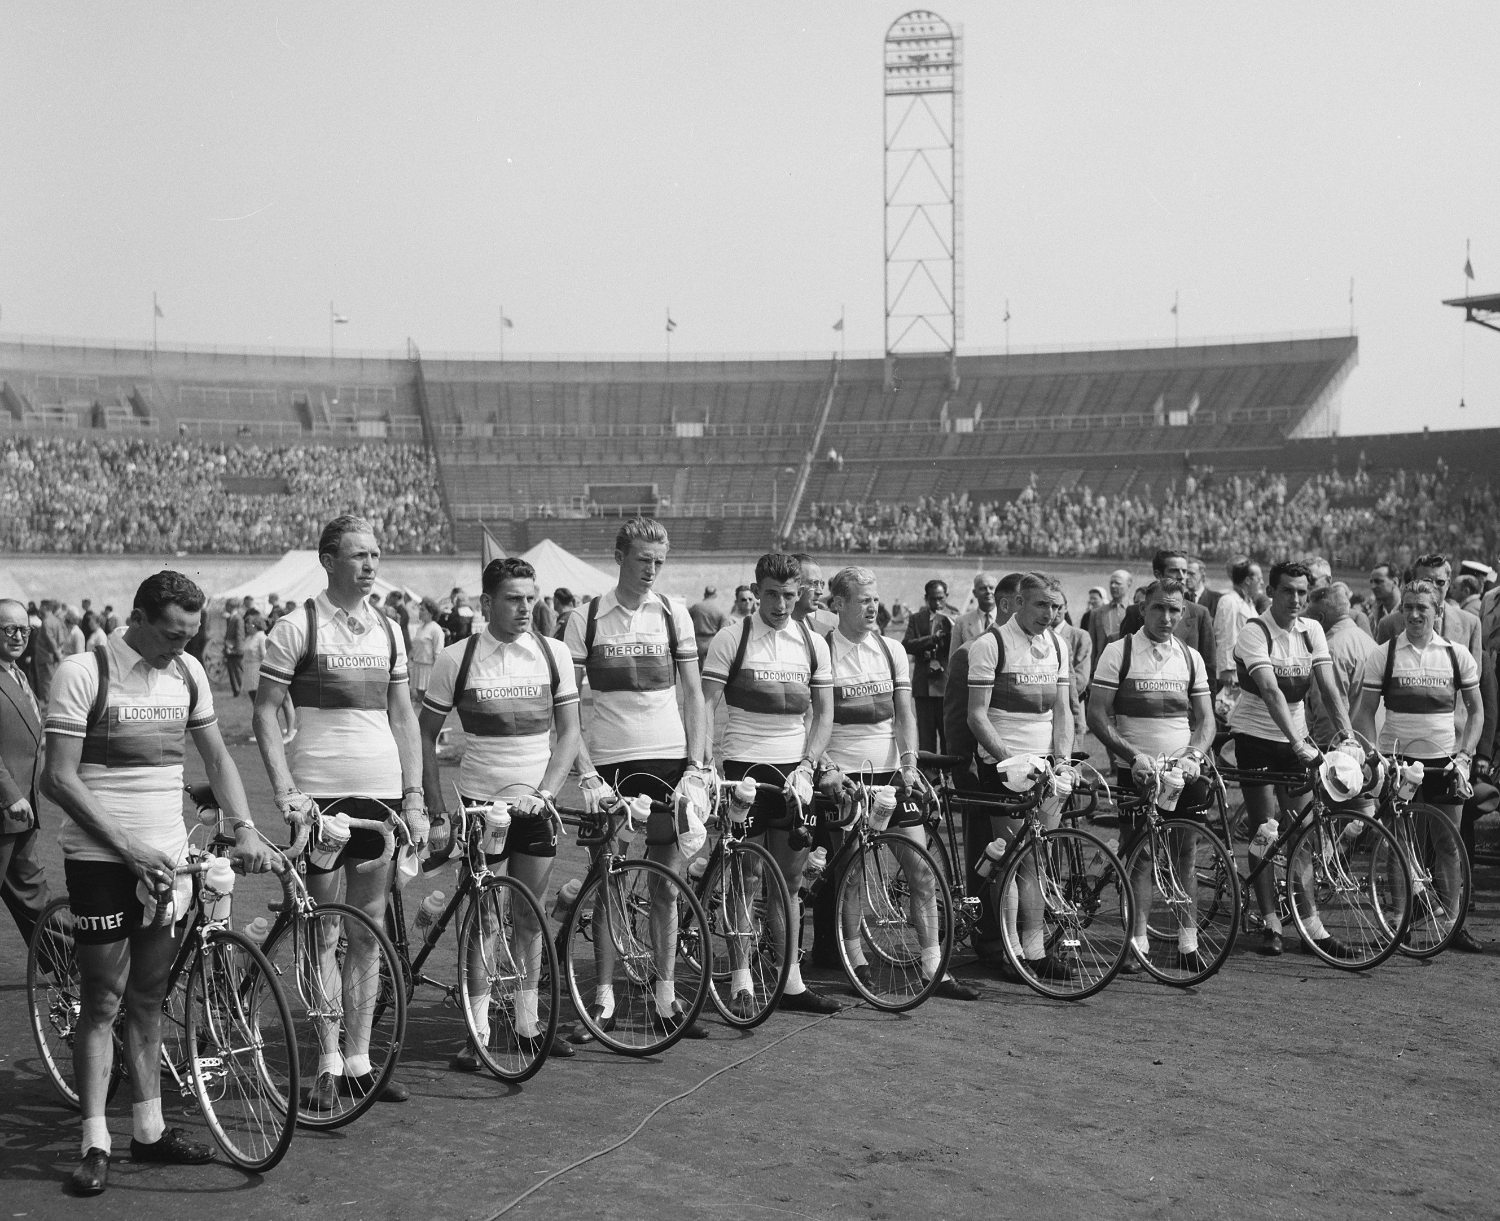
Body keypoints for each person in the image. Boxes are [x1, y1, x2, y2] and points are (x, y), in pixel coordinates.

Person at [42, 571, 271, 1196]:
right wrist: (127, 848)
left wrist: (245, 826)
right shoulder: (83, 671)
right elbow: (58, 779)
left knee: (148, 1001)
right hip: (99, 861)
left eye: (193, 637)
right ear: (138, 618)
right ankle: (94, 1140)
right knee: (103, 1002)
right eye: (173, 635)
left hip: (166, 863)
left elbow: (218, 756)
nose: (183, 648)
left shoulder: (189, 674)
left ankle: (149, 1129)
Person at [253, 515, 424, 1108]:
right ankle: (326, 1061)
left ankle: (359, 1059)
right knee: (323, 928)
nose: (371, 565)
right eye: (358, 555)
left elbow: (404, 718)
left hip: (377, 796)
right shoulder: (295, 626)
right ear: (328, 561)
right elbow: (264, 714)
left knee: (367, 932)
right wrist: (284, 791)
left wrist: (415, 796)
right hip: (319, 797)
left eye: (376, 554)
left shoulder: (391, 629)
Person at [420, 557, 581, 1063]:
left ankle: (529, 1023)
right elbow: (424, 735)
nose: (525, 608)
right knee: (483, 921)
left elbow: (571, 734)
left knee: (529, 917)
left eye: (530, 598)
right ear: (487, 603)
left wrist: (549, 794)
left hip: (536, 806)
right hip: (479, 807)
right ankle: (480, 1030)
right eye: (514, 599)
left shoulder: (553, 653)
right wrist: (439, 807)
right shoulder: (457, 658)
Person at [564, 517, 712, 1037]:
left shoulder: (674, 614)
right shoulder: (585, 619)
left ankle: (667, 999)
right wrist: (586, 774)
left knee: (666, 888)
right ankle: (601, 1002)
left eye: (659, 562)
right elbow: (568, 711)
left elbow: (694, 696)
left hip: (669, 760)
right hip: (611, 764)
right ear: (620, 556)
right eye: (643, 559)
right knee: (608, 883)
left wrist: (697, 765)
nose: (651, 570)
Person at [816, 566, 977, 1001]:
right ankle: (856, 960)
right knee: (853, 875)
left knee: (921, 870)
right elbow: (813, 718)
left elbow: (904, 714)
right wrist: (826, 767)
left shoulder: (890, 649)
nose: (874, 607)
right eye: (864, 600)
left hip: (891, 774)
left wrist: (909, 764)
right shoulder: (822, 650)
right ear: (838, 605)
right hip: (846, 777)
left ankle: (933, 968)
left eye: (875, 598)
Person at [702, 551, 840, 1014]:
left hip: (793, 772)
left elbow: (825, 715)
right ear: (757, 592)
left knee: (791, 880)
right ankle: (741, 980)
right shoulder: (732, 637)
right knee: (746, 875)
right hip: (744, 767)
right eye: (772, 594)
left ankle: (791, 983)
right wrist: (705, 764)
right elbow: (705, 705)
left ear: (800, 593)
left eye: (789, 594)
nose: (781, 603)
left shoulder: (813, 642)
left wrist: (808, 764)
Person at [1086, 578, 1215, 972]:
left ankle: (1188, 943)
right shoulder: (1118, 651)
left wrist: (1194, 754)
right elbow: (1096, 714)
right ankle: (1136, 942)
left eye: (1175, 610)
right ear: (1143, 608)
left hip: (1182, 772)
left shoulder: (1190, 657)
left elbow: (1206, 719)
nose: (1167, 617)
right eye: (1159, 608)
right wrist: (1133, 756)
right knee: (1140, 856)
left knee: (1185, 855)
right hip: (1137, 773)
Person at [1352, 578, 1484, 952]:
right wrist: (1377, 756)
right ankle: (1398, 923)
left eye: (1421, 608)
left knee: (1447, 842)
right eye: (1407, 607)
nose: (1412, 614)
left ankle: (1453, 922)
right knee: (1398, 840)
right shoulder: (1385, 653)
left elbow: (1477, 712)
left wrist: (1465, 755)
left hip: (1444, 760)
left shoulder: (1457, 654)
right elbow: (1364, 713)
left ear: (1438, 611)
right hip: (1399, 760)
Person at [1228, 560, 1352, 956]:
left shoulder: (1311, 629)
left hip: (1293, 739)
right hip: (1257, 738)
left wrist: (1348, 736)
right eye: (1288, 591)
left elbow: (1329, 689)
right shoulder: (1254, 631)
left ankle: (1310, 923)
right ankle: (1269, 922)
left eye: (1302, 592)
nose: (1296, 599)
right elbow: (1270, 691)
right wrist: (1297, 742)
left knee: (1305, 832)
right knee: (1267, 830)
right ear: (1271, 590)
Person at [965, 573, 1075, 979]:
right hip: (1005, 765)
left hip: (1045, 764)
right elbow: (977, 716)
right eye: (1041, 605)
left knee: (1037, 859)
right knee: (1010, 859)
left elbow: (1062, 711)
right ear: (1017, 603)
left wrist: (1061, 760)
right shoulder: (990, 644)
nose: (1050, 614)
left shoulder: (1059, 645)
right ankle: (1011, 952)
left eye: (1055, 606)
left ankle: (1035, 950)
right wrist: (1011, 762)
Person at [0, 598, 50, 954]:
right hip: (9, 804)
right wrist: (10, 794)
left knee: (33, 894)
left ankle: (74, 963)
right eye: (10, 629)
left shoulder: (16, 672)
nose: (19, 636)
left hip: (22, 809)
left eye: (25, 629)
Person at [1118, 550, 1216, 690]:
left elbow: (1209, 668)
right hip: (1142, 697)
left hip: (1187, 703)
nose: (1182, 576)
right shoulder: (1135, 613)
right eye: (1175, 571)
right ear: (1158, 574)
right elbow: (1123, 658)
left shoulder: (1199, 614)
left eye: (1184, 571)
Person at [1304, 584, 1380, 751]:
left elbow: (1327, 712)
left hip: (1342, 753)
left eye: (1308, 619)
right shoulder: (1371, 644)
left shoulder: (1330, 651)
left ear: (1319, 619)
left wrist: (1324, 753)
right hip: (1369, 747)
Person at [902, 579, 954, 754]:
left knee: (948, 734)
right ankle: (929, 775)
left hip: (946, 685)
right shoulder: (916, 619)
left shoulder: (954, 618)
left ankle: (948, 775)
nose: (938, 603)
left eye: (941, 598)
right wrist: (932, 639)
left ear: (946, 597)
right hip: (924, 685)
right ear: (926, 598)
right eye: (933, 599)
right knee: (926, 736)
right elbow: (907, 644)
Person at [1214, 557, 1265, 692]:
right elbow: (1225, 636)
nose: (1262, 583)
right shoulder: (1229, 601)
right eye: (1259, 579)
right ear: (1248, 581)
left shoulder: (1249, 603)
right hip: (1233, 674)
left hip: (1249, 668)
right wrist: (1227, 669)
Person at [1051, 593, 1091, 741]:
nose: (1055, 611)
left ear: (1066, 608)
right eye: (1051, 606)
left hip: (1072, 709)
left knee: (1071, 760)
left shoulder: (1080, 636)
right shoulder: (1040, 636)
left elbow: (1080, 679)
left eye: (1059, 607)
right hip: (1045, 715)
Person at [1086, 570, 1133, 677]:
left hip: (1129, 671)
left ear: (1129, 584)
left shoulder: (1137, 611)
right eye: (1111, 583)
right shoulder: (1096, 613)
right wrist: (1089, 674)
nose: (1113, 586)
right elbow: (1091, 646)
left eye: (1117, 583)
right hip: (1102, 670)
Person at [949, 573, 1000, 658]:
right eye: (983, 588)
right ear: (975, 593)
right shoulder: (961, 622)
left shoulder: (1007, 619)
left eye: (991, 588)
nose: (988, 591)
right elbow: (954, 657)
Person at [408, 598, 445, 705]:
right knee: (418, 699)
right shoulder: (420, 627)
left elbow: (438, 651)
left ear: (431, 612)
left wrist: (438, 672)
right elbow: (415, 647)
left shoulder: (436, 629)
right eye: (420, 609)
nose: (420, 612)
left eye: (423, 610)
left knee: (426, 701)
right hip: (417, 666)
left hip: (428, 669)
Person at [790, 555, 838, 635]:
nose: (820, 592)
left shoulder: (830, 627)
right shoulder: (774, 626)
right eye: (813, 583)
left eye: (821, 584)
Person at [688, 586, 727, 664]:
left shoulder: (696, 607)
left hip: (697, 641)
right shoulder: (719, 609)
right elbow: (723, 629)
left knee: (697, 667)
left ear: (705, 594)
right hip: (712, 641)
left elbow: (688, 622)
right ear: (715, 595)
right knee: (711, 667)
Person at [222, 598, 244, 698]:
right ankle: (236, 691)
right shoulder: (231, 618)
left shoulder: (238, 618)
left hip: (235, 650)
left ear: (231, 606)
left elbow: (239, 635)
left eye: (227, 605)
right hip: (230, 649)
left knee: (237, 671)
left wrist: (236, 650)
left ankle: (240, 690)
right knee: (232, 671)